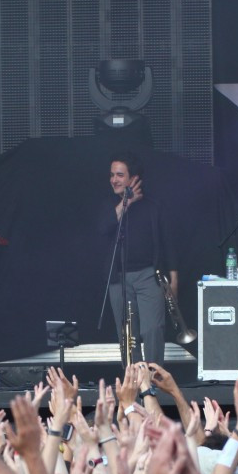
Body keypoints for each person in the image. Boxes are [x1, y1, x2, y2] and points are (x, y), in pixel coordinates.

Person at [99, 152, 177, 365]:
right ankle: (133, 385)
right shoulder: (109, 204)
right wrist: (126, 203)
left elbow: (168, 242)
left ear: (134, 179)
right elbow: (103, 228)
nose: (113, 180)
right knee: (127, 336)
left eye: (119, 175)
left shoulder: (153, 206)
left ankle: (154, 381)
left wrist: (174, 278)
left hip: (148, 275)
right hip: (119, 278)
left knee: (153, 329)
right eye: (111, 175)